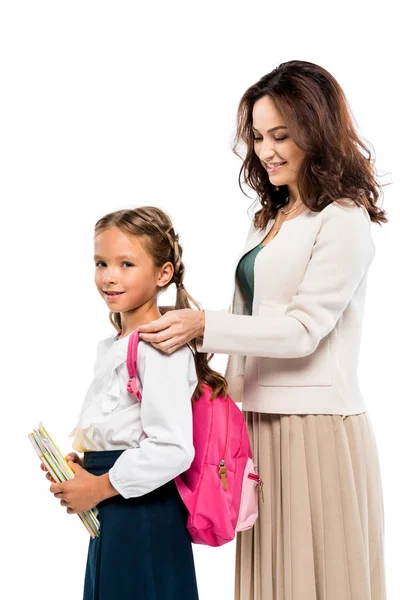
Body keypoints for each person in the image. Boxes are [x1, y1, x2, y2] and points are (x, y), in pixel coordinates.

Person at [138, 61, 387, 599]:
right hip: (257, 424)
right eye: (257, 136)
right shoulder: (270, 219)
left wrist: (203, 326)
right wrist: (215, 389)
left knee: (315, 579)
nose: (267, 150)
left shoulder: (342, 219)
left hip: (313, 426)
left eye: (281, 135)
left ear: (316, 133)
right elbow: (250, 320)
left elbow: (302, 331)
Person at [41, 206, 228, 600]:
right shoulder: (117, 346)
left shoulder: (159, 347)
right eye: (101, 263)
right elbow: (121, 427)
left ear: (163, 273)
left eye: (127, 264)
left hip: (141, 508)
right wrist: (84, 466)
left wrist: (100, 485)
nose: (109, 276)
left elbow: (174, 448)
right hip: (116, 503)